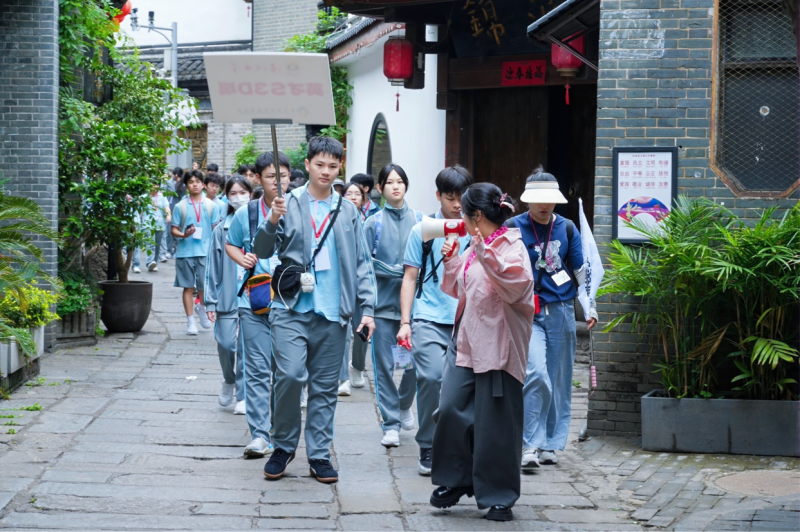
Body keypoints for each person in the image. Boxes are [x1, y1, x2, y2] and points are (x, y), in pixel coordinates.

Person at [253, 136, 376, 484]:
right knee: (289, 376)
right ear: (306, 165)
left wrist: (367, 309)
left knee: (324, 388)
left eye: (332, 166)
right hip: (291, 307)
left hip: (333, 312)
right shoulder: (286, 202)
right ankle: (283, 445)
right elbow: (261, 249)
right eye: (319, 164)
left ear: (340, 168)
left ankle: (319, 453)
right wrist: (271, 220)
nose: (325, 171)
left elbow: (363, 264)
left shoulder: (349, 210)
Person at [430, 183, 534, 522]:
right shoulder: (477, 246)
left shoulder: (511, 245)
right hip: (468, 342)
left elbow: (514, 285)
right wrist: (453, 260)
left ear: (476, 216)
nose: (459, 217)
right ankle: (456, 480)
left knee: (496, 424)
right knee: (450, 409)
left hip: (499, 347)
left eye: (464, 212)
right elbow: (460, 289)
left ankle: (500, 495)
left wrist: (480, 250)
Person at [511, 167, 598, 470]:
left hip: (561, 309)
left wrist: (591, 308)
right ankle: (529, 444)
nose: (545, 206)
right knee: (535, 374)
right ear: (528, 201)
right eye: (539, 200)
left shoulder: (568, 228)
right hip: (527, 312)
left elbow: (581, 272)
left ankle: (550, 443)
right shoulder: (512, 227)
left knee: (559, 379)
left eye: (550, 200)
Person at [396, 165, 473, 475]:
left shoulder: (477, 228)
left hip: (467, 317)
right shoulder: (422, 230)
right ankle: (427, 443)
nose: (457, 205)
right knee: (430, 378)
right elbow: (410, 277)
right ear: (438, 196)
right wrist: (405, 321)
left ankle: (460, 442)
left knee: (463, 387)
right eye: (450, 198)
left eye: (462, 198)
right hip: (429, 316)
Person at [225, 152, 289, 456]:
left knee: (286, 371)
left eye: (284, 176)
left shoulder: (300, 210)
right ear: (259, 180)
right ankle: (260, 434)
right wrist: (243, 257)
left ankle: (280, 430)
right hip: (253, 298)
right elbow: (230, 244)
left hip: (290, 302)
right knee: (258, 368)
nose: (278, 182)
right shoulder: (248, 213)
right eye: (271, 177)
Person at [363, 163, 422, 448]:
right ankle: (390, 423)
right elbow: (363, 265)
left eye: (400, 181)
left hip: (416, 311)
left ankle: (402, 404)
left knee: (416, 366)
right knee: (384, 367)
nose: (395, 186)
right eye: (389, 182)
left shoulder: (421, 221)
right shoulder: (373, 223)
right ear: (380, 188)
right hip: (383, 308)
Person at [205, 175, 252, 414]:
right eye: (233, 193)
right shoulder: (220, 231)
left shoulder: (259, 225)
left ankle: (243, 396)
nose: (238, 197)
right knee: (225, 344)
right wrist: (210, 301)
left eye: (242, 192)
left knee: (245, 347)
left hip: (253, 297)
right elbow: (212, 267)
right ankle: (229, 379)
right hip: (226, 298)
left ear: (251, 194)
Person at [170, 169, 221, 335]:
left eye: (198, 182)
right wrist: (184, 235)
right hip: (185, 252)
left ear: (203, 185)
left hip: (206, 252)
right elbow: (173, 230)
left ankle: (202, 307)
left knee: (204, 287)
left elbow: (215, 229)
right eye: (191, 182)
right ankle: (190, 321)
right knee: (187, 287)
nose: (195, 185)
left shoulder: (211, 206)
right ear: (186, 186)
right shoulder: (180, 206)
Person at [336, 181, 370, 396]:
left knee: (362, 331)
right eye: (349, 193)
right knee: (341, 330)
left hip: (363, 282)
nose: (353, 196)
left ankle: (357, 366)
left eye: (357, 193)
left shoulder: (371, 220)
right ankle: (342, 378)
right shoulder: (338, 217)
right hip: (341, 283)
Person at [145, 185, 170, 273]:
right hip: (147, 223)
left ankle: (155, 262)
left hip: (159, 224)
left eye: (156, 185)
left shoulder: (162, 196)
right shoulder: (144, 196)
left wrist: (168, 215)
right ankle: (149, 262)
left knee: (157, 245)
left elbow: (166, 207)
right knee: (150, 243)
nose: (155, 187)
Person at [165, 167, 184, 259]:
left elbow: (173, 191)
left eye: (173, 174)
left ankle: (177, 250)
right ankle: (169, 250)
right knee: (169, 232)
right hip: (169, 210)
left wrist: (167, 181)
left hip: (177, 211)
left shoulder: (182, 185)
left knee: (176, 231)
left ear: (176, 174)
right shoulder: (171, 182)